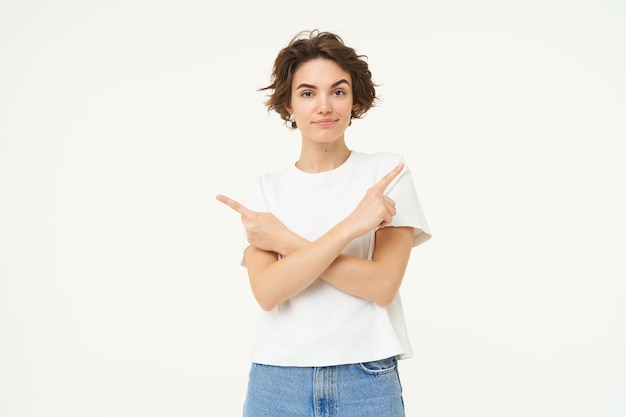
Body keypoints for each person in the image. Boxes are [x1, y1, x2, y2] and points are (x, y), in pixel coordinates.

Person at [216, 29, 431, 417]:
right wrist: (352, 226)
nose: (324, 106)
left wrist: (285, 240)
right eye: (307, 92)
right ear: (288, 105)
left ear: (355, 100)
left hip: (366, 377)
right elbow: (268, 292)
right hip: (277, 380)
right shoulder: (264, 191)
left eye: (338, 91)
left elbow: (381, 286)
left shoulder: (387, 174)